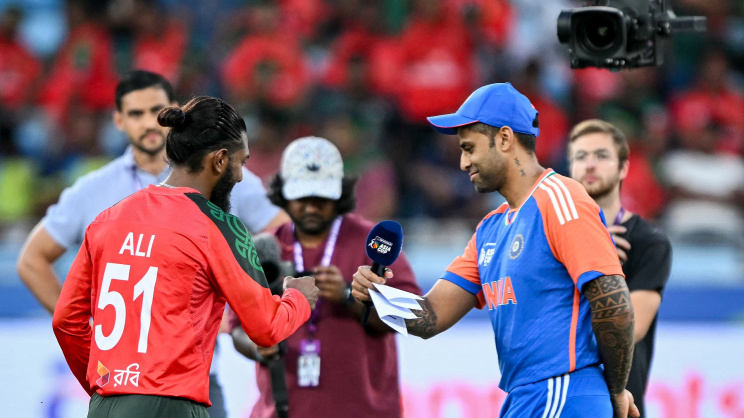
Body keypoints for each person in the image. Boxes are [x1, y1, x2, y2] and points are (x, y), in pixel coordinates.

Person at [352, 83, 640, 418]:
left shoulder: (561, 198)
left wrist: (616, 390)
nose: (463, 162)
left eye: (469, 148)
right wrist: (375, 297)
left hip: (562, 390)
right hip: (527, 397)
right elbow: (430, 316)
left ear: (504, 138)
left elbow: (613, 302)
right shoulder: (490, 228)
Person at [16, 70, 289, 418]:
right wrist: (98, 343)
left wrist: (234, 299)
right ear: (118, 121)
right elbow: (32, 261)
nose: (148, 122)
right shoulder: (91, 190)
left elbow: (283, 237)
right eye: (135, 113)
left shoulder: (223, 173)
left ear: (173, 113)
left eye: (155, 111)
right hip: (151, 386)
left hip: (187, 380)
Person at [229, 136, 421, 418]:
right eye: (301, 198)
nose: (311, 207)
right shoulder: (263, 248)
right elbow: (237, 327)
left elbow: (414, 317)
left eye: (321, 199)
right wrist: (259, 348)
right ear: (284, 194)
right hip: (282, 411)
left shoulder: (374, 243)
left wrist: (349, 297)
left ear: (339, 194)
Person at [568, 119, 672, 418]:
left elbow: (631, 328)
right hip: (562, 401)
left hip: (622, 406)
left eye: (601, 155)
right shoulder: (552, 240)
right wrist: (588, 252)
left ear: (624, 168)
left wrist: (602, 262)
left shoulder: (649, 242)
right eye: (580, 156)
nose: (589, 164)